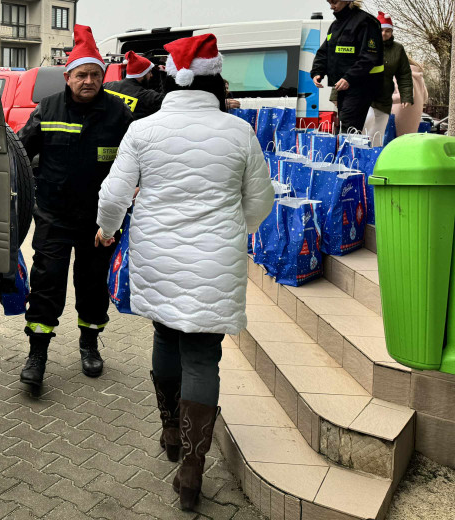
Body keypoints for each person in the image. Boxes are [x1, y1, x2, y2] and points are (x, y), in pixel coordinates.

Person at [96, 33, 274, 511]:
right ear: (217, 82)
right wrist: (238, 228)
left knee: (164, 334)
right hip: (217, 257)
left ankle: (170, 431)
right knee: (202, 354)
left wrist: (106, 230)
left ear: (171, 81)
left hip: (158, 253)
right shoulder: (239, 132)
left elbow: (114, 194)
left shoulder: (144, 129)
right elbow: (260, 201)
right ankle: (192, 470)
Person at [18, 25, 133, 393]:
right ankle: (37, 354)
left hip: (101, 222)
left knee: (92, 285)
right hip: (53, 215)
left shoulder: (119, 114)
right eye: (81, 75)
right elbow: (20, 151)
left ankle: (89, 345)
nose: (88, 81)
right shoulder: (47, 107)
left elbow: (136, 163)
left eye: (95, 75)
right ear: (67, 77)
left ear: (104, 77)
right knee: (47, 282)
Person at [310, 0, 384, 134]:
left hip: (361, 85)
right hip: (343, 86)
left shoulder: (366, 22)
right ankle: (348, 155)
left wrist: (349, 78)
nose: (331, 6)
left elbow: (369, 57)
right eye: (329, 2)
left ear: (347, 1)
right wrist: (318, 71)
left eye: (334, 1)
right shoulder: (335, 26)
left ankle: (348, 157)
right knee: (347, 125)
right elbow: (324, 52)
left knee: (349, 127)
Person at [364, 11, 413, 142]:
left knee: (378, 133)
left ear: (391, 32)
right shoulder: (366, 44)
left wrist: (406, 96)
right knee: (365, 126)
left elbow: (404, 74)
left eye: (387, 31)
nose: (384, 33)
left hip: (384, 96)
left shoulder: (398, 49)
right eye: (381, 30)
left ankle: (374, 157)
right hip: (364, 94)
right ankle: (357, 155)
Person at [104, 51, 164, 118]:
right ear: (141, 74)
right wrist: (164, 75)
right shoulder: (148, 97)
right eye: (149, 72)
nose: (151, 75)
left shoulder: (107, 86)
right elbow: (168, 103)